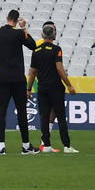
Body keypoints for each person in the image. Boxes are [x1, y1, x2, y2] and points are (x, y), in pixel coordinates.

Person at [0, 9, 38, 155]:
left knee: (1, 112)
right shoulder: (18, 33)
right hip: (17, 79)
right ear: (17, 21)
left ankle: (1, 146)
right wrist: (24, 28)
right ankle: (26, 146)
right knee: (22, 111)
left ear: (7, 18)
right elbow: (33, 45)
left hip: (2, 78)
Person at [26, 21, 78, 154]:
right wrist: (69, 85)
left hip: (42, 88)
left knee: (44, 117)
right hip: (55, 87)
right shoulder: (56, 50)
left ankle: (46, 145)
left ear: (42, 35)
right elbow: (59, 68)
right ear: (53, 34)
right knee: (60, 116)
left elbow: (32, 72)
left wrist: (28, 89)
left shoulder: (36, 51)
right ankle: (67, 146)